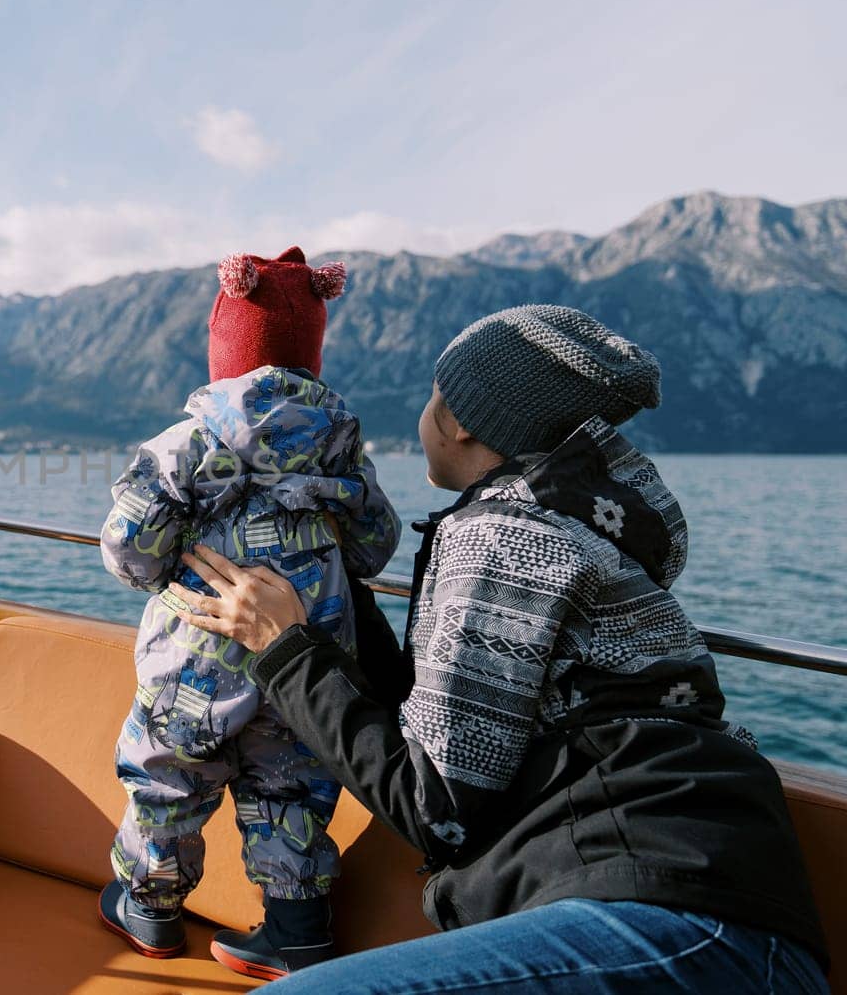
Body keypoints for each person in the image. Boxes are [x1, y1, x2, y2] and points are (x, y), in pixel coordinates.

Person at [166, 304, 830, 993]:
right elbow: (437, 736)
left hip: (676, 924)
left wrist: (284, 648)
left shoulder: (505, 537)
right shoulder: (564, 526)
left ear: (457, 420)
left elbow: (436, 808)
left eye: (432, 395)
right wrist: (337, 592)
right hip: (716, 916)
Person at [97, 247, 400, 980]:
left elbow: (128, 548)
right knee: (291, 792)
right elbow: (374, 550)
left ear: (224, 351)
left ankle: (152, 910)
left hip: (192, 662)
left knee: (167, 779)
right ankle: (295, 933)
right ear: (312, 355)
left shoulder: (187, 443)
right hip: (302, 661)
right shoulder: (344, 452)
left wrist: (167, 572)